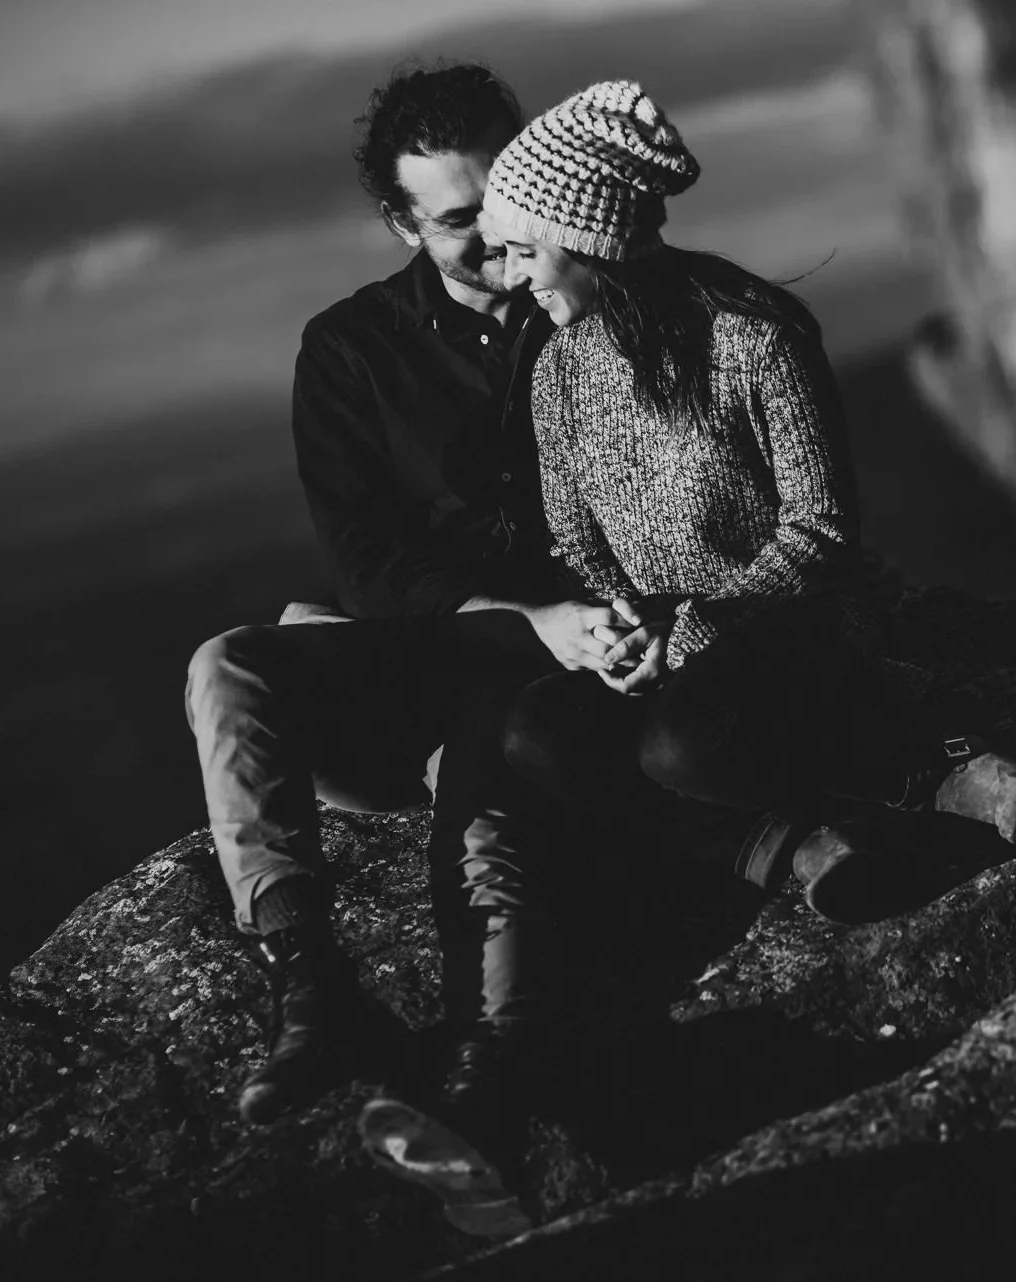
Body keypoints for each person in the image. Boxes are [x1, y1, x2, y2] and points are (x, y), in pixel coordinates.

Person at [183, 64, 633, 1128]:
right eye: (459, 217)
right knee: (228, 665)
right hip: (439, 646)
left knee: (488, 776)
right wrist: (522, 621)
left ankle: (495, 1062)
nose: (496, 235)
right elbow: (371, 569)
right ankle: (310, 979)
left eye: (511, 196)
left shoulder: (593, 304)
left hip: (563, 685)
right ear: (400, 223)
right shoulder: (350, 352)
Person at [478, 80, 1016, 919]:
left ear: (582, 236)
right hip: (662, 643)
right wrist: (613, 627)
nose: (513, 278)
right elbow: (575, 538)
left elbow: (821, 533)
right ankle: (795, 849)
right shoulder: (557, 370)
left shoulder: (755, 338)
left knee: (683, 746)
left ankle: (928, 768)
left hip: (792, 620)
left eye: (524, 250)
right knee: (535, 735)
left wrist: (700, 624)